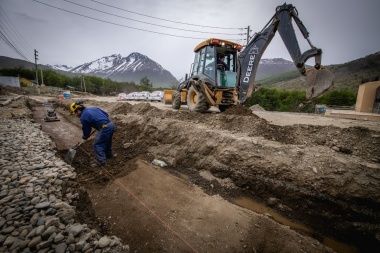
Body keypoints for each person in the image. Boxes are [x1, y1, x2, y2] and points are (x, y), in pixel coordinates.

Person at [70, 101, 115, 167]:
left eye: (76, 112)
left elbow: (86, 130)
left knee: (97, 144)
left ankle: (101, 162)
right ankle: (109, 155)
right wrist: (99, 123)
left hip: (105, 128)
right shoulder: (93, 108)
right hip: (111, 125)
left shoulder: (83, 117)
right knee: (107, 141)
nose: (77, 114)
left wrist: (85, 137)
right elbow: (106, 114)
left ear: (78, 110)